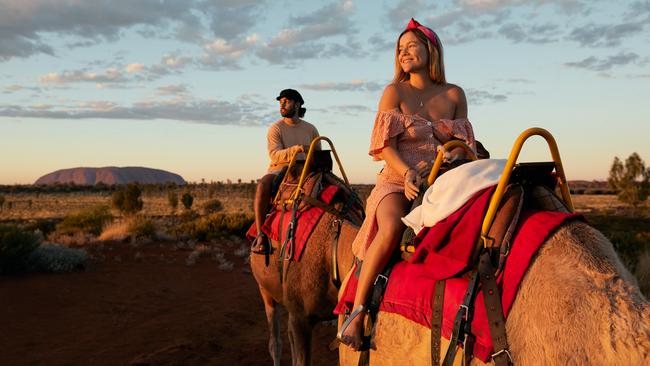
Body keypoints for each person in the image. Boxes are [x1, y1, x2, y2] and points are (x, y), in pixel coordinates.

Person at [336, 18, 476, 350]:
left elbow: (467, 144)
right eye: (400, 49)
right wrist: (408, 174)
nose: (404, 53)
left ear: (431, 50)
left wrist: (457, 156)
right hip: (399, 179)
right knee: (391, 228)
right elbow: (386, 146)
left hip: (444, 178)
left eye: (411, 46)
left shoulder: (454, 94)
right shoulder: (394, 92)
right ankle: (356, 311)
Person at [251, 89, 321, 254]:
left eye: (286, 101)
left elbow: (318, 153)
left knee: (337, 189)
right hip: (281, 168)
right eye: (280, 101)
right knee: (262, 185)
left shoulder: (310, 129)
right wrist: (297, 150)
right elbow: (274, 155)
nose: (282, 104)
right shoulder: (276, 128)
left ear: (297, 104)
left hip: (307, 169)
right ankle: (261, 236)